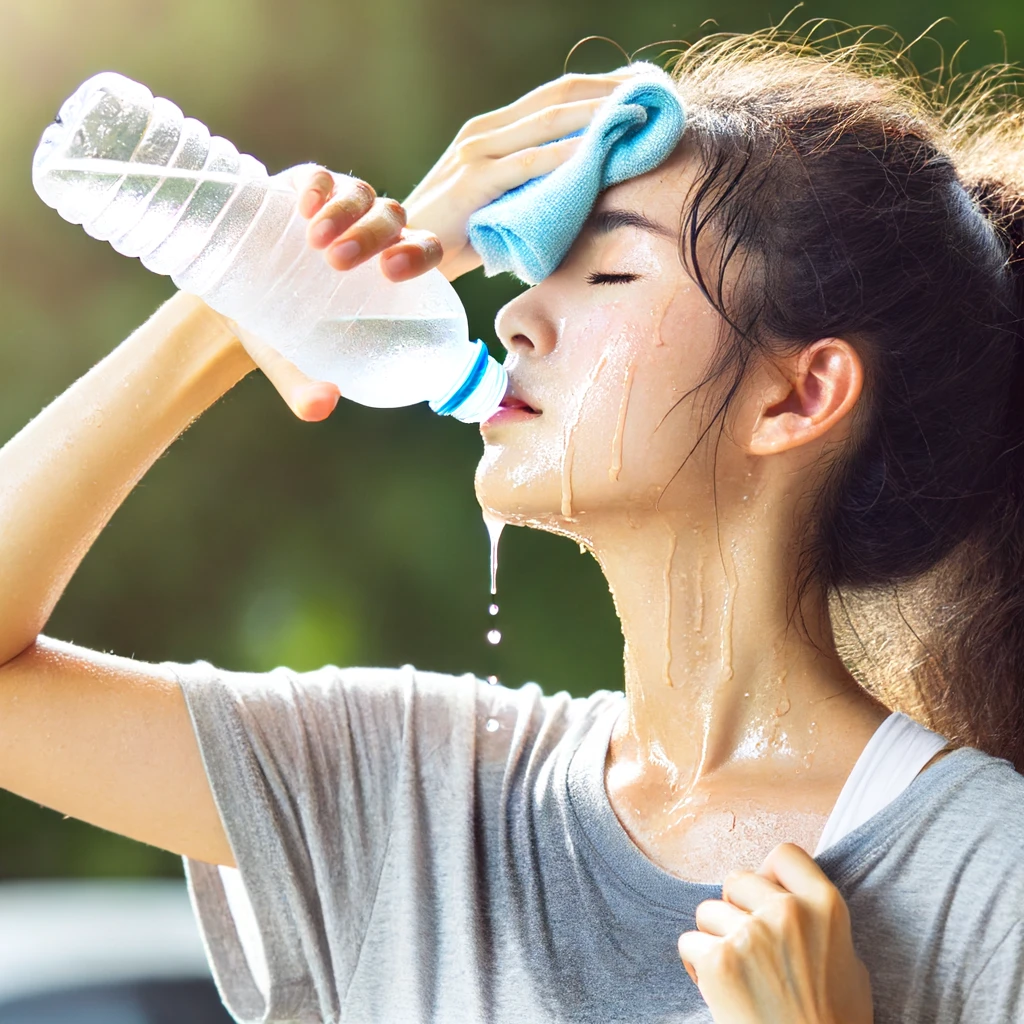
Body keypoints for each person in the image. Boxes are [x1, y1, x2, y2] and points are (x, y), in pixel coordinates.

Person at [2, 27, 1023, 1024]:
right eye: (540, 272)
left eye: (609, 274)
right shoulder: (409, 788)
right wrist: (247, 291)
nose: (514, 316)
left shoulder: (991, 878)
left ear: (798, 397)